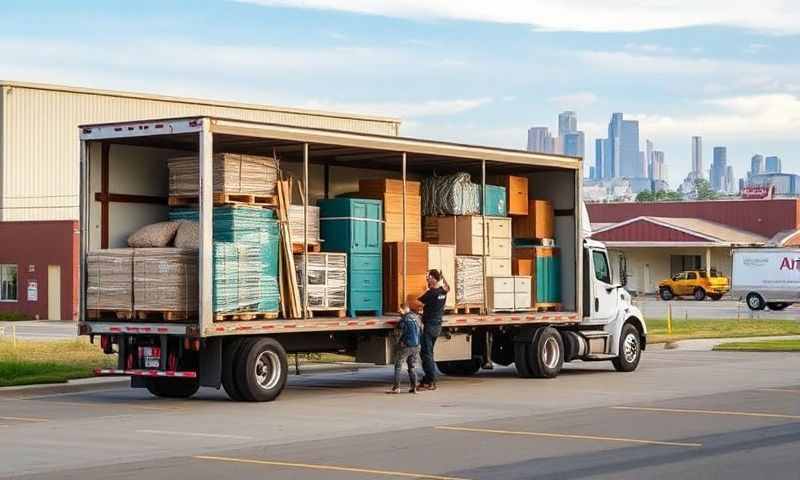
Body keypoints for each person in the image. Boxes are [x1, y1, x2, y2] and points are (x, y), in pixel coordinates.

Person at [417, 269, 449, 391]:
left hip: (430, 326)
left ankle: (431, 381)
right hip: (437, 325)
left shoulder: (431, 293)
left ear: (434, 279)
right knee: (429, 352)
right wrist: (443, 276)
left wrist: (425, 290)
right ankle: (427, 380)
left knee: (426, 353)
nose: (427, 279)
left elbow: (417, 301)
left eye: (429, 277)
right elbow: (448, 287)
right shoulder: (442, 292)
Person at [389, 303, 421, 394]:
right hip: (416, 346)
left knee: (398, 366)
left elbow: (398, 332)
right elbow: (420, 331)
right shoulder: (416, 318)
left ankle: (396, 388)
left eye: (400, 310)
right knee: (412, 367)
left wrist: (398, 342)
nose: (399, 312)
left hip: (406, 346)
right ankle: (414, 387)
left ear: (404, 309)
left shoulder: (404, 320)